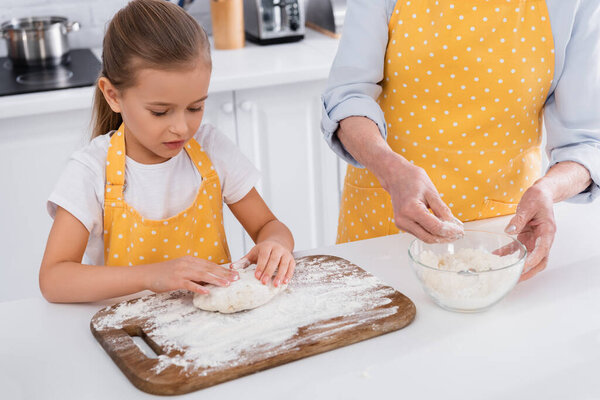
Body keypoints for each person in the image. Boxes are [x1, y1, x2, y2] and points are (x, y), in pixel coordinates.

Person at [322, 0, 600, 281]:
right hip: (382, 229)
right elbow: (348, 97)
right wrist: (390, 168)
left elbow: (586, 143)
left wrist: (548, 191)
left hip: (501, 242)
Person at [39, 0, 295, 303]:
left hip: (213, 335)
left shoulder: (210, 148)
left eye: (195, 107)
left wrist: (276, 245)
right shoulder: (92, 170)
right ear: (113, 95)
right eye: (160, 112)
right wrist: (152, 275)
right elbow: (54, 278)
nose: (182, 128)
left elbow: (268, 225)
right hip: (132, 336)